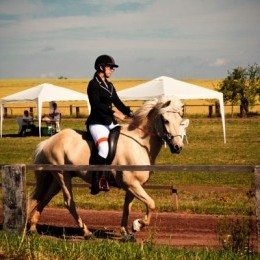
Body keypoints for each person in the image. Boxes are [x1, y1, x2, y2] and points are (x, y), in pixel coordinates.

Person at [86, 54, 133, 195]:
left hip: (109, 123)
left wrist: (131, 113)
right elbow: (96, 105)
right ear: (101, 67)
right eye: (110, 67)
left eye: (113, 68)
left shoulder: (110, 86)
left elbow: (118, 102)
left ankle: (112, 175)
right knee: (104, 149)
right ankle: (97, 181)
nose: (112, 70)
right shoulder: (93, 84)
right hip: (97, 123)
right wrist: (114, 113)